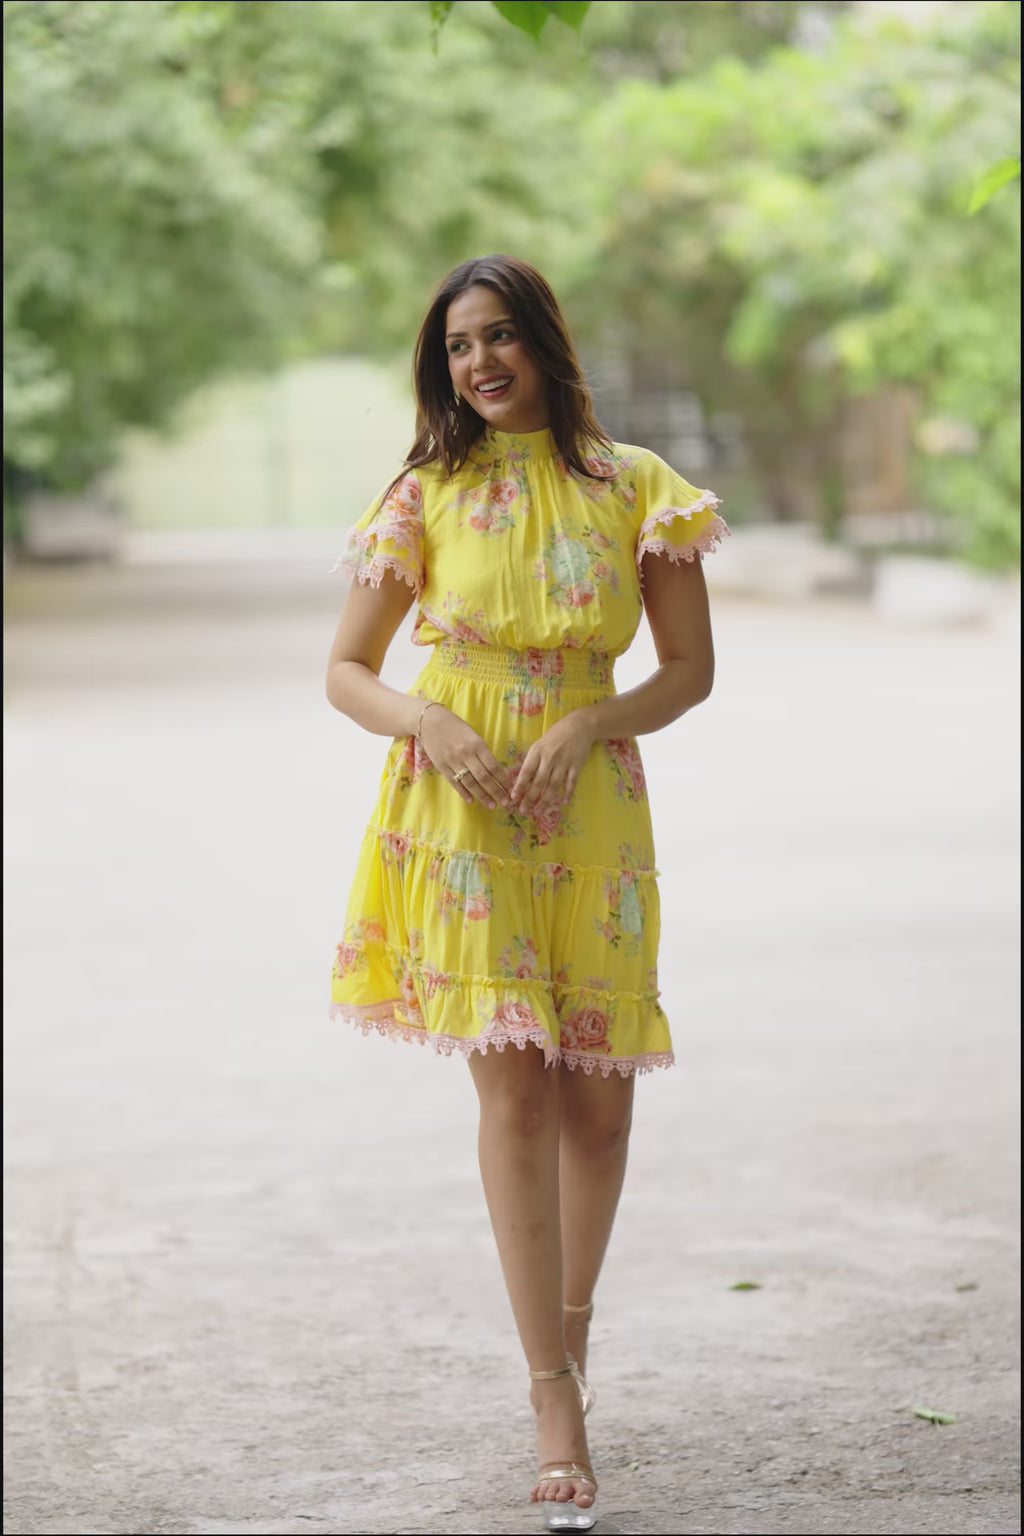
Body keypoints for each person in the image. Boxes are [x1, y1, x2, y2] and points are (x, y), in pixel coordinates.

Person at [325, 254, 728, 1532]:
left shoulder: (637, 490)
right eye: (457, 347)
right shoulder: (424, 492)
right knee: (515, 1091)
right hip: (458, 812)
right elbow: (345, 670)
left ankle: (571, 1334)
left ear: (546, 343)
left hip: (592, 806)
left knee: (597, 1107)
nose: (480, 363)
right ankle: (553, 1400)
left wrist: (591, 720)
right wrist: (426, 724)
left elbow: (690, 671)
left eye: (499, 337)